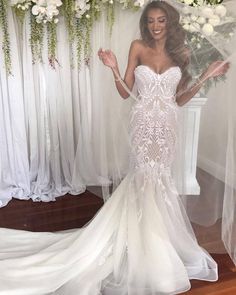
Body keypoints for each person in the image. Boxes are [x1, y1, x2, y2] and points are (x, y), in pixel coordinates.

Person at [0, 1, 230, 294]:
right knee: (144, 177)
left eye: (161, 21)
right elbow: (126, 93)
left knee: (161, 181)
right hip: (143, 123)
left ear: (170, 23)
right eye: (150, 21)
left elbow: (180, 99)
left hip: (167, 125)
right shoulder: (137, 46)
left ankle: (158, 240)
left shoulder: (182, 53)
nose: (155, 26)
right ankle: (142, 244)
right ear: (145, 24)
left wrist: (206, 75)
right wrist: (114, 69)